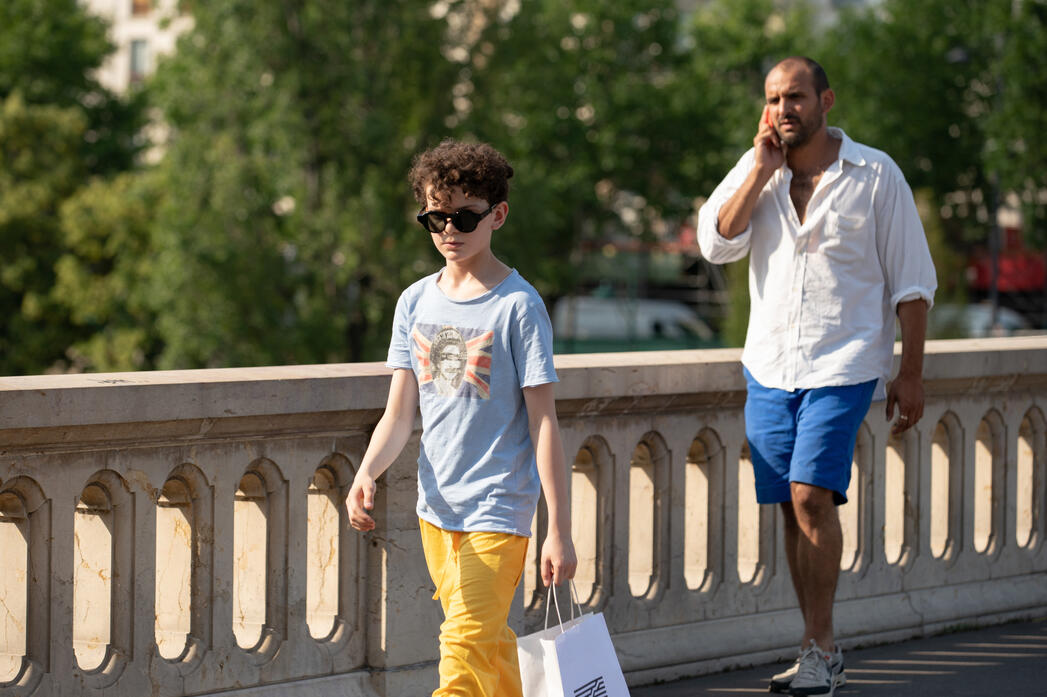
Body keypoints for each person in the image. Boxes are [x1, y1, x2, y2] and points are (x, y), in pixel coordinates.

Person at [698, 57, 937, 696]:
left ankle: (824, 648)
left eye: (796, 96)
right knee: (789, 506)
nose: (784, 109)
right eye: (774, 98)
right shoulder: (760, 170)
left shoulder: (875, 174)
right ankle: (810, 644)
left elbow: (913, 282)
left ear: (825, 100)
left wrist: (909, 372)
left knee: (809, 495)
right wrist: (759, 170)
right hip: (770, 367)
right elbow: (716, 242)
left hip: (845, 364)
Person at [347, 139, 577, 697]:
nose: (449, 229)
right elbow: (400, 413)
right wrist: (366, 472)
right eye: (435, 216)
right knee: (489, 650)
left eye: (464, 216)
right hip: (436, 509)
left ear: (497, 214)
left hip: (498, 508)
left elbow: (545, 423)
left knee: (461, 651)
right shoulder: (414, 302)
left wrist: (559, 531)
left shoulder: (518, 306)